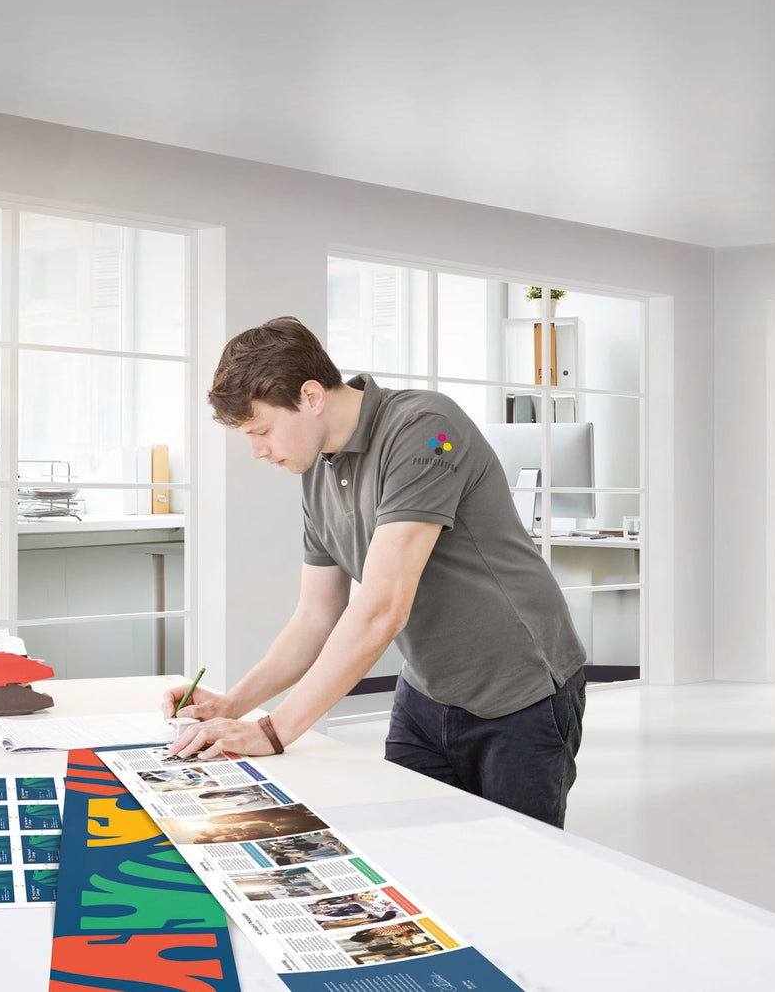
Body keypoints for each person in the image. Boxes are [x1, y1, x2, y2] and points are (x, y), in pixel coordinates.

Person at [160, 316, 587, 828]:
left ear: (312, 396)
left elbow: (383, 608)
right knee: (410, 857)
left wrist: (273, 732)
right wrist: (232, 704)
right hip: (428, 692)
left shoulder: (428, 430)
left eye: (262, 430)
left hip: (520, 691)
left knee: (517, 872)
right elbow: (316, 616)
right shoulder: (317, 472)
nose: (258, 451)